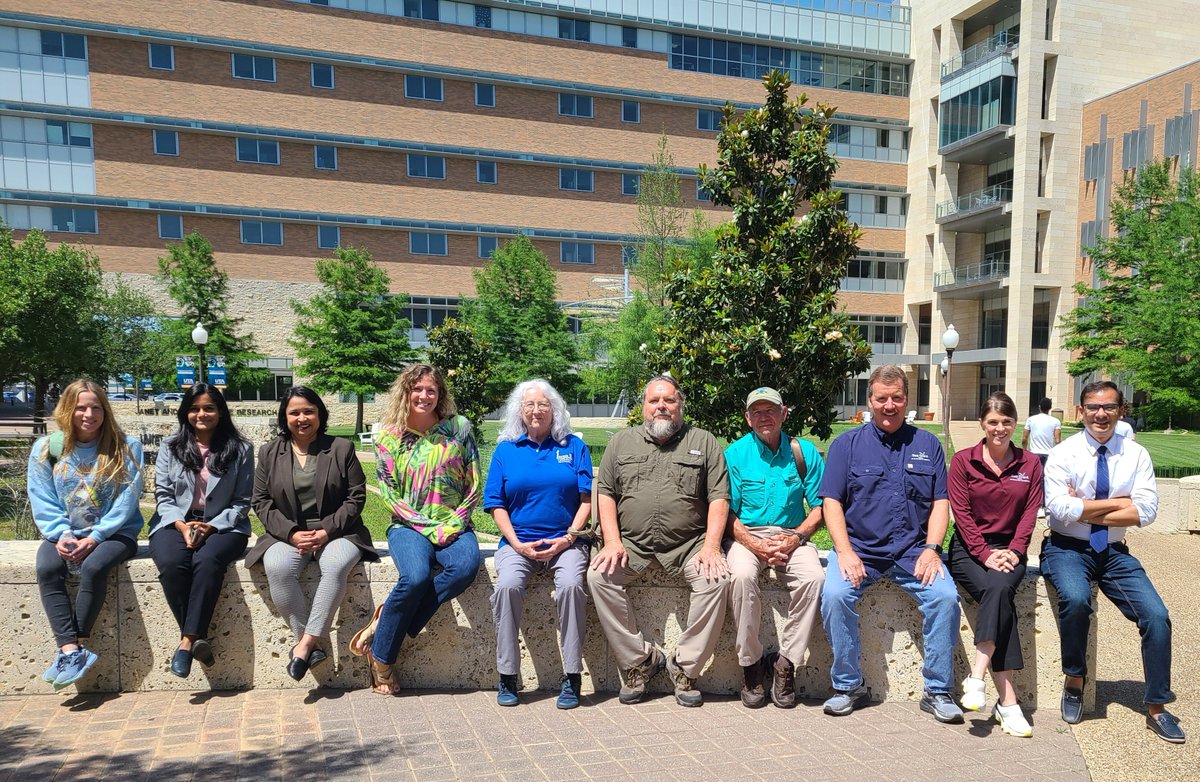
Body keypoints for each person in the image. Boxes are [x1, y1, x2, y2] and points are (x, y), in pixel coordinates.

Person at [818, 364, 962, 723]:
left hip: (913, 551)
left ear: (907, 400)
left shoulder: (927, 444)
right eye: (882, 398)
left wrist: (932, 549)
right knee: (835, 595)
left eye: (896, 397)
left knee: (945, 597)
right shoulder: (846, 445)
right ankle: (847, 686)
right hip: (860, 551)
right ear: (870, 401)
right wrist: (845, 551)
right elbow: (831, 502)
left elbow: (940, 502)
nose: (889, 405)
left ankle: (938, 690)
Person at [1041, 380, 1183, 743]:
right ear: (1081, 411)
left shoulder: (1136, 455)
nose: (1100, 414)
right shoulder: (1064, 453)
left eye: (1108, 407)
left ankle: (1156, 706)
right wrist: (1121, 504)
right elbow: (1058, 508)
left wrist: (1084, 509)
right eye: (1092, 407)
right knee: (1075, 601)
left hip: (1115, 554)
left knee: (1157, 616)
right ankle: (1075, 679)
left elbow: (1147, 511)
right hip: (1066, 548)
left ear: (1121, 411)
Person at [587, 375, 730, 708]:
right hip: (632, 545)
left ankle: (684, 667)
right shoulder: (620, 443)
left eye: (669, 400)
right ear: (643, 407)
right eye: (654, 401)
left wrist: (711, 547)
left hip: (689, 545)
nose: (661, 407)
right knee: (599, 577)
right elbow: (606, 492)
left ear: (680, 405)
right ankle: (641, 663)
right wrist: (611, 541)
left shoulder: (704, 441)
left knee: (717, 579)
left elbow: (719, 497)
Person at [355, 364, 481, 696]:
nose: (424, 396)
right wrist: (429, 529)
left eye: (431, 390)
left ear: (440, 395)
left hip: (453, 524)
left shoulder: (459, 429)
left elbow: (474, 483)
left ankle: (387, 624)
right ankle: (383, 660)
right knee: (414, 577)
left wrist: (453, 523)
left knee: (466, 567)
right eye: (418, 389)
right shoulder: (387, 436)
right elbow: (390, 495)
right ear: (406, 392)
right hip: (408, 526)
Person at [247, 386, 376, 682]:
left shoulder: (341, 448)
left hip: (340, 532)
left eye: (309, 411)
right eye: (294, 412)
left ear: (320, 414)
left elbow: (355, 498)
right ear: (285, 417)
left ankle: (304, 646)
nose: (302, 418)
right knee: (277, 567)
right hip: (288, 534)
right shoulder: (270, 452)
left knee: (335, 566)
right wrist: (292, 534)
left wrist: (327, 530)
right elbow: (261, 500)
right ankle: (312, 645)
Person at [27, 379, 144, 690]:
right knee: (48, 568)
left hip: (116, 534)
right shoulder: (46, 449)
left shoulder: (125, 446)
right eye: (80, 407)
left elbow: (127, 499)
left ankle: (77, 644)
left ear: (105, 411)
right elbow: (42, 497)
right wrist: (62, 534)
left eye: (96, 408)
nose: (88, 414)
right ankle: (69, 650)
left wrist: (96, 537)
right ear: (68, 410)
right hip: (63, 533)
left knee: (94, 567)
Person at [485, 379, 592, 709]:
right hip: (518, 542)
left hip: (567, 540)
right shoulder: (506, 450)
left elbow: (587, 500)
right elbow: (495, 503)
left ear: (554, 410)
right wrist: (517, 545)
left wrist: (568, 537)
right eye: (529, 405)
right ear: (520, 410)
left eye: (543, 405)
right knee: (506, 587)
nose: (536, 410)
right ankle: (507, 675)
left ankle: (571, 676)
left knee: (573, 585)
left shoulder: (573, 446)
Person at [724, 387, 825, 709]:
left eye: (771, 410)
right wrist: (755, 544)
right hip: (747, 535)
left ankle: (785, 664)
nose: (764, 417)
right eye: (757, 412)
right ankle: (751, 665)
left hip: (792, 534)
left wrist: (796, 538)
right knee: (739, 577)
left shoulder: (804, 452)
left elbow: (821, 507)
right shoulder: (736, 454)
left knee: (814, 579)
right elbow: (727, 513)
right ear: (747, 418)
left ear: (784, 414)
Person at [948, 392, 1042, 737]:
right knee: (998, 593)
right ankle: (1008, 702)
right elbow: (962, 515)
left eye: (1006, 422)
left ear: (1015, 423)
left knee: (999, 588)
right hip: (968, 551)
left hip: (1011, 551)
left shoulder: (1030, 464)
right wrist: (985, 553)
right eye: (993, 422)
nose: (999, 429)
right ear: (982, 425)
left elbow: (1030, 515)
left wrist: (1016, 551)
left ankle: (977, 678)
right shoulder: (963, 462)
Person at [148, 384, 254, 679]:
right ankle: (196, 639)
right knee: (172, 563)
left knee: (207, 561)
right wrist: (182, 525)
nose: (201, 414)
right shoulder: (170, 447)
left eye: (209, 408)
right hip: (174, 521)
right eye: (195, 408)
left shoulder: (241, 449)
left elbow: (242, 501)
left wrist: (212, 525)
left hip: (225, 525)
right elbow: (163, 495)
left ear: (220, 412)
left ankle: (186, 643)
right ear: (185, 412)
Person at [1021, 397, 1061, 465]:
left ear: (1039, 407)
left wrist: (1024, 451)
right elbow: (1057, 441)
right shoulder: (1056, 421)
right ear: (1050, 407)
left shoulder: (1030, 419)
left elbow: (1024, 439)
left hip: (1034, 454)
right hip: (1048, 454)